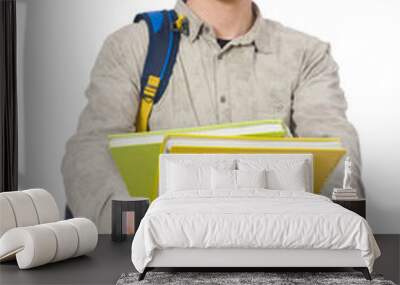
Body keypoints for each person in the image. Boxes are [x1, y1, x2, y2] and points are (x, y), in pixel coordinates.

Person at [62, 0, 363, 233]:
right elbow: (89, 153)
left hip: (274, 252)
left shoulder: (307, 54)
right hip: (159, 258)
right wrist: (138, 238)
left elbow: (337, 154)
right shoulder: (130, 46)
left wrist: (317, 235)